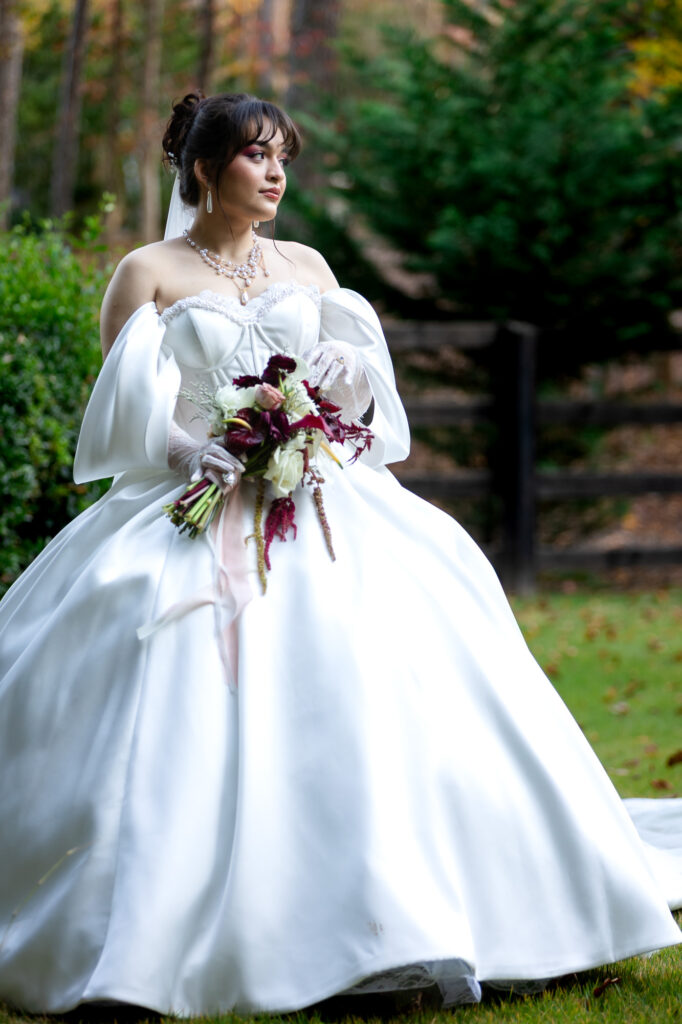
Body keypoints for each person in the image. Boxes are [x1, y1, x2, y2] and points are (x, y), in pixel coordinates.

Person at [0, 91, 680, 1018]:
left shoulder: (308, 266)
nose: (276, 173)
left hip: (322, 496)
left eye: (283, 155)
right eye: (256, 155)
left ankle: (406, 916)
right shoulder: (147, 272)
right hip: (196, 498)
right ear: (205, 169)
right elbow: (124, 405)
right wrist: (190, 450)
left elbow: (362, 395)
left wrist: (346, 380)